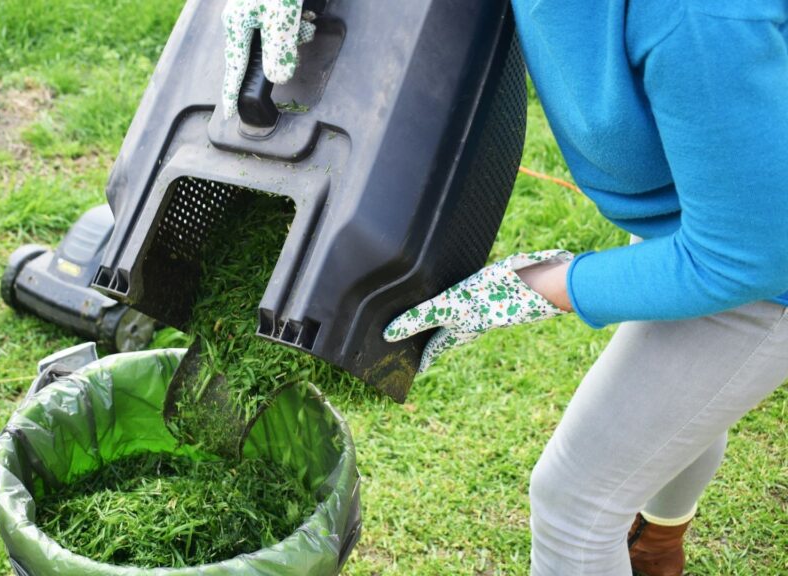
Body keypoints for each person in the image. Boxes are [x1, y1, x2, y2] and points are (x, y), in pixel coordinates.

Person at [221, 0, 788, 574]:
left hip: (763, 261)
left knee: (575, 505)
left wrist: (542, 284)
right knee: (669, 399)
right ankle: (657, 547)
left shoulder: (697, 17)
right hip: (708, 207)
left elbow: (747, 255)